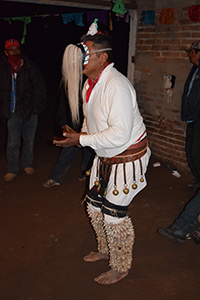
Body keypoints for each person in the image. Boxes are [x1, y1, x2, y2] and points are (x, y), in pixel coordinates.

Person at [53, 33, 151, 284]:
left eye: (84, 55)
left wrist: (81, 140)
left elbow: (119, 135)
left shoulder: (116, 85)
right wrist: (81, 134)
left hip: (126, 157)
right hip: (105, 155)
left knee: (113, 215)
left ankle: (120, 266)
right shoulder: (90, 85)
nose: (78, 60)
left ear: (103, 57)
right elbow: (92, 123)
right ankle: (105, 248)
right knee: (94, 206)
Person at [0, 38, 46, 182]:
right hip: (12, 111)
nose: (15, 52)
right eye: (11, 50)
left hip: (30, 110)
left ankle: (27, 164)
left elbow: (40, 88)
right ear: (6, 52)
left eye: (17, 49)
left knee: (29, 140)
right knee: (13, 142)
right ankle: (12, 169)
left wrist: (36, 108)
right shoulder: (2, 68)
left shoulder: (29, 66)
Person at [43, 84, 94, 188]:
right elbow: (62, 101)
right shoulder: (68, 81)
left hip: (90, 121)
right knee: (69, 148)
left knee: (90, 149)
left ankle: (85, 174)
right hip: (74, 122)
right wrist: (63, 121)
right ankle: (56, 176)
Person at [181, 41, 200, 191]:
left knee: (196, 151)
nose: (189, 55)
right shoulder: (195, 70)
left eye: (191, 52)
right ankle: (198, 180)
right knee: (189, 150)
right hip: (192, 116)